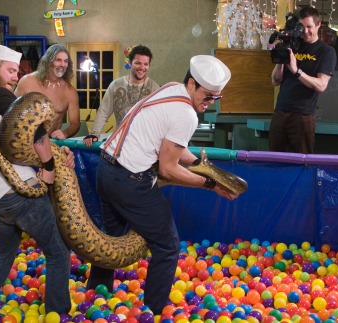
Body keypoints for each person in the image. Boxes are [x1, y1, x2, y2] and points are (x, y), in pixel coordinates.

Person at [86, 55, 237, 315]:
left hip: (106, 170)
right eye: (208, 96)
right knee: (167, 246)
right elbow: (168, 168)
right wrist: (210, 184)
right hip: (129, 182)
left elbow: (173, 146)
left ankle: (95, 296)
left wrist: (204, 166)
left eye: (216, 98)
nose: (210, 103)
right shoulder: (186, 114)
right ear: (192, 84)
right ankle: (153, 311)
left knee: (111, 236)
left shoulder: (170, 89)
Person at [0, 44, 73, 316]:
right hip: (22, 194)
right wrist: (49, 165)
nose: (15, 76)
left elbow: (14, 142)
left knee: (3, 255)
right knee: (58, 254)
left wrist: (57, 154)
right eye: (10, 70)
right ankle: (56, 314)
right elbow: (35, 129)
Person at [269, 5, 336, 154]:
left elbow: (321, 85)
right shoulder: (293, 45)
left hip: (303, 115)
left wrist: (296, 71)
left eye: (309, 26)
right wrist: (281, 59)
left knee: (302, 162)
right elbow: (275, 81)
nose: (305, 31)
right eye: (302, 27)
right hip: (280, 112)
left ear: (318, 25)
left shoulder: (326, 51)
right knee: (273, 159)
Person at [83, 45, 160, 145]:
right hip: (119, 143)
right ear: (129, 63)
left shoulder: (154, 88)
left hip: (145, 145)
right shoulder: (115, 85)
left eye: (146, 64)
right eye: (138, 63)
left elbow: (160, 119)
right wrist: (94, 134)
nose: (142, 67)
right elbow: (104, 111)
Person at [15, 44, 80, 139]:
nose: (63, 65)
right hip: (24, 141)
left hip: (50, 143)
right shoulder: (27, 81)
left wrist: (65, 133)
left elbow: (75, 123)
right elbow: (10, 110)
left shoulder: (70, 91)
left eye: (65, 61)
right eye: (58, 60)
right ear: (48, 62)